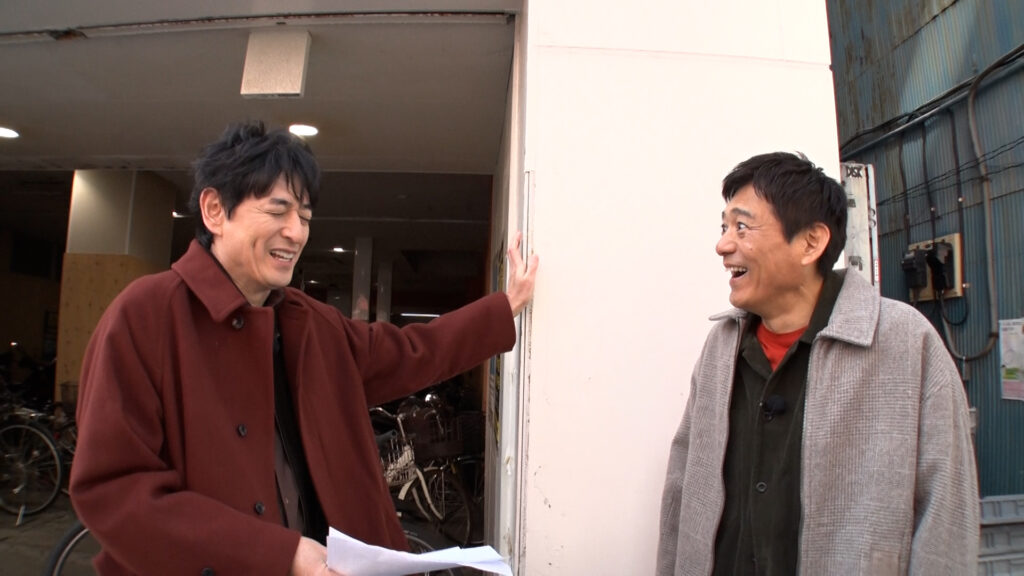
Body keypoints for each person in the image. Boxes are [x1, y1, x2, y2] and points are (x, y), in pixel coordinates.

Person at [69, 121, 538, 576]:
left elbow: (412, 351)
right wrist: (280, 554)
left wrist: (506, 306)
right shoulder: (146, 317)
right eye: (277, 212)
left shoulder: (310, 323)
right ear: (214, 211)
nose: (296, 232)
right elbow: (114, 492)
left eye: (305, 217)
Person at [656, 152, 978, 575]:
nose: (723, 245)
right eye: (724, 228)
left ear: (811, 242)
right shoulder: (721, 347)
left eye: (742, 227)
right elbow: (682, 486)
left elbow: (947, 514)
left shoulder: (905, 343)